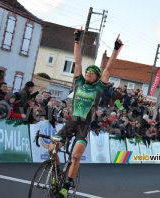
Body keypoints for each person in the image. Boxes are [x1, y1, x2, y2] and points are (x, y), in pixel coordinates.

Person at [50, 28, 122, 198]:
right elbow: (78, 61)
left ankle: (66, 186)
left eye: (92, 72)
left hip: (83, 125)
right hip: (71, 122)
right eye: (87, 72)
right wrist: (76, 40)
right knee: (52, 150)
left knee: (75, 156)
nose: (88, 73)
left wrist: (115, 50)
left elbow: (108, 69)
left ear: (97, 77)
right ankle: (56, 176)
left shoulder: (98, 87)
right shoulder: (79, 82)